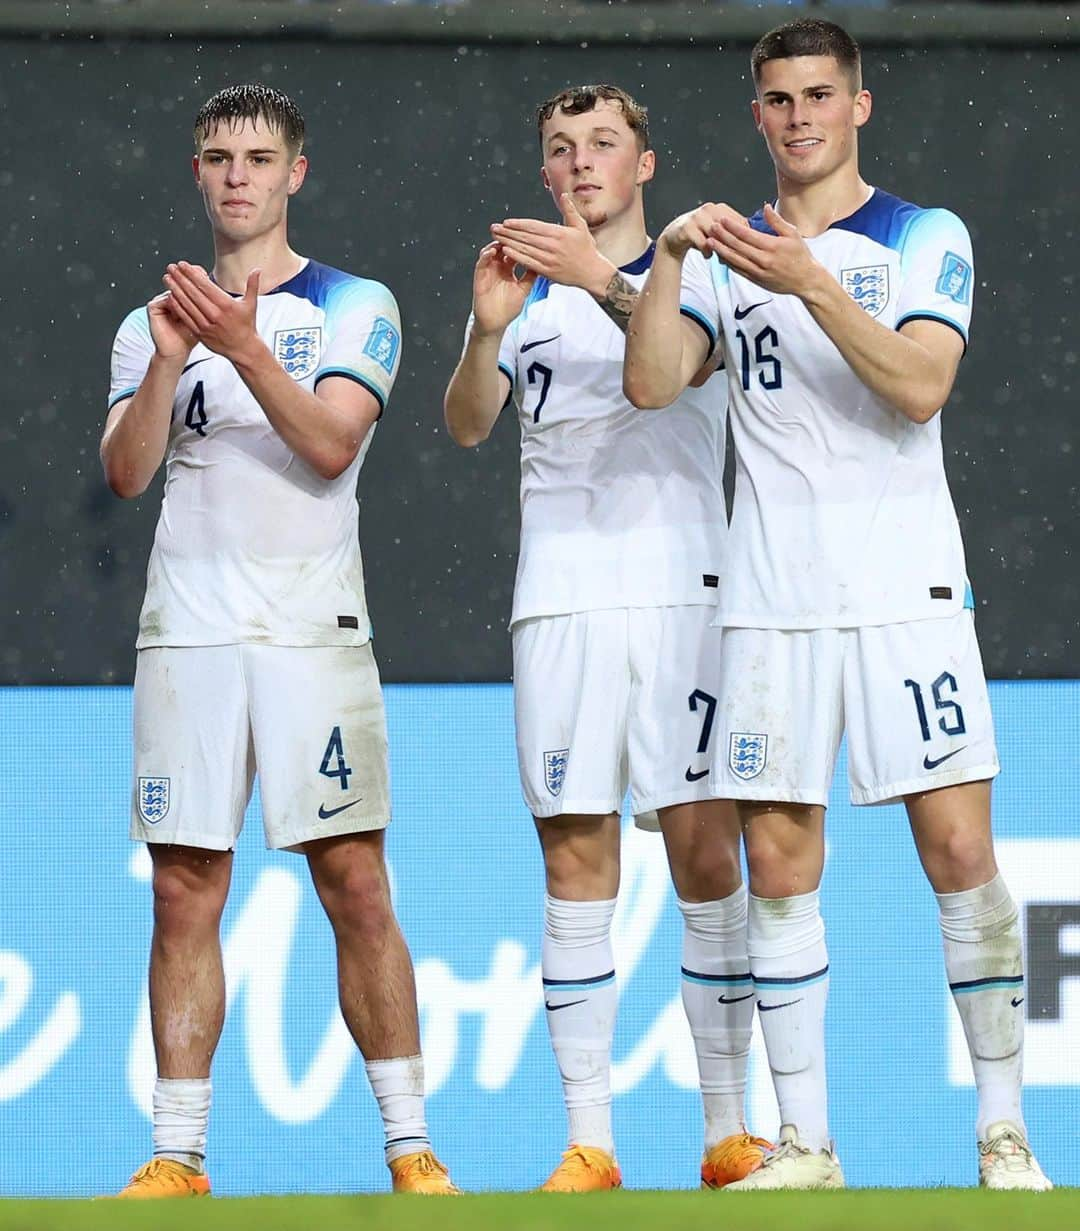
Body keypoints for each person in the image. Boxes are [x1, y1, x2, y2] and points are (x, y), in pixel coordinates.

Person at [624, 18, 1051, 1192]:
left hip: (905, 590)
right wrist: (664, 263)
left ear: (858, 106)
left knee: (960, 849)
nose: (800, 116)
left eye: (820, 95)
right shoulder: (722, 254)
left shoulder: (922, 234)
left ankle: (1004, 1131)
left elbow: (920, 384)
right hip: (771, 601)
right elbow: (655, 383)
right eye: (778, 99)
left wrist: (810, 282)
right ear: (756, 115)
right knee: (780, 862)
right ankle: (808, 1143)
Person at [101, 83, 457, 1198]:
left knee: (353, 880)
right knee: (182, 887)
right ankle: (178, 1154)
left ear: (296, 172)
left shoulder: (356, 307)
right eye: (218, 157)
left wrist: (245, 349)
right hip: (190, 631)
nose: (237, 175)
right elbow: (126, 472)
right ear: (198, 174)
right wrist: (170, 359)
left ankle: (411, 1148)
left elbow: (332, 444)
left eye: (259, 156)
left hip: (312, 630)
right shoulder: (148, 322)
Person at [443, 84, 769, 1192]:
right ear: (545, 173)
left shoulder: (709, 272)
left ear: (645, 164)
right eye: (560, 150)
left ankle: (730, 1129)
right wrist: (487, 330)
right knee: (575, 858)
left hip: (686, 591)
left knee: (702, 852)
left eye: (602, 146)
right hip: (561, 601)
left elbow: (685, 365)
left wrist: (608, 282)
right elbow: (468, 424)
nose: (580, 164)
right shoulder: (523, 289)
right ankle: (591, 1141)